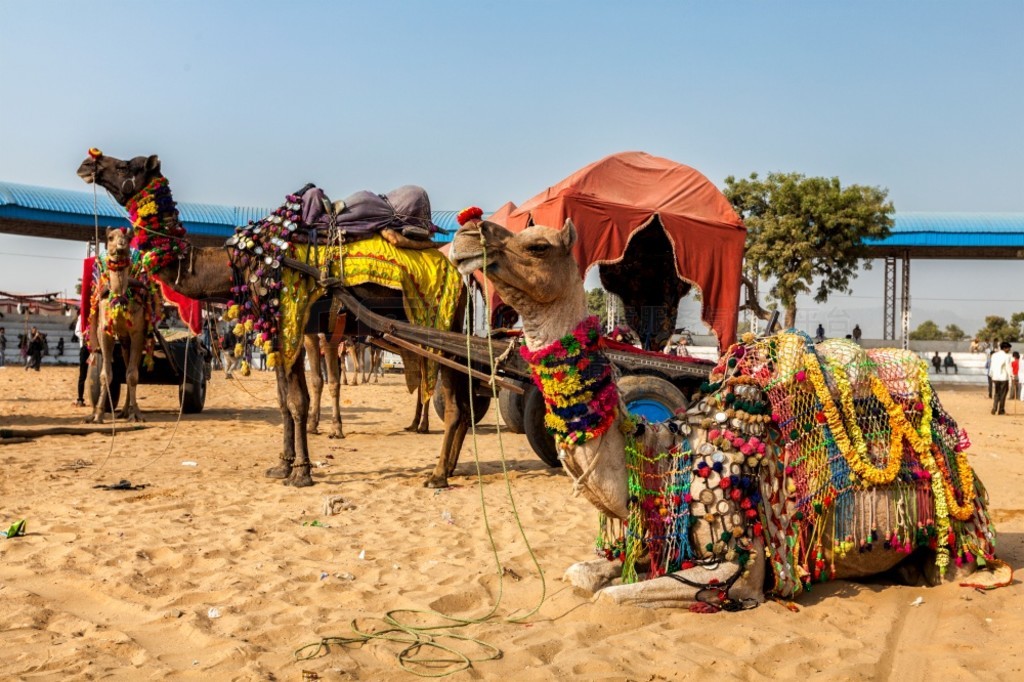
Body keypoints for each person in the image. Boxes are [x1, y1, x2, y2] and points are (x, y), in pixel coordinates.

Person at [988, 342, 1013, 415]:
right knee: (1003, 394)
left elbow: (991, 366)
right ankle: (1001, 410)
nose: (1009, 350)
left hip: (995, 377)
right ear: (1005, 348)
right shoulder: (1007, 356)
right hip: (1003, 378)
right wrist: (1012, 376)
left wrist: (991, 375)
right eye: (1008, 348)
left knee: (996, 393)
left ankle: (994, 408)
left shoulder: (994, 355)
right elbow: (1008, 367)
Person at [74, 314, 89, 406]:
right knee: (83, 375)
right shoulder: (82, 317)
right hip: (85, 349)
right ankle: (80, 398)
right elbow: (77, 331)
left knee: (96, 373)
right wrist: (84, 334)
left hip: (95, 349)